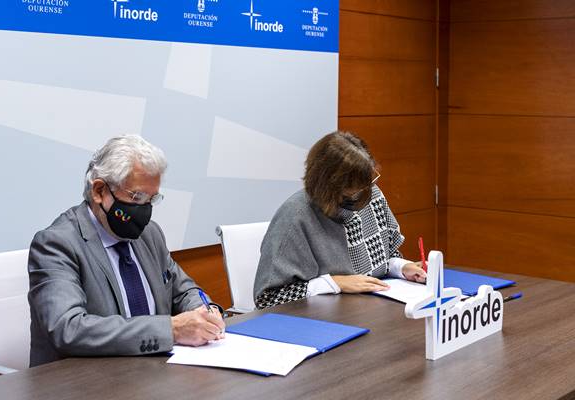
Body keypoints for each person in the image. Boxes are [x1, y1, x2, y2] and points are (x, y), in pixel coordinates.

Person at [28, 135, 225, 367]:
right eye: (137, 197)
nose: (145, 211)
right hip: (86, 381)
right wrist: (170, 330)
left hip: (153, 372)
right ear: (100, 191)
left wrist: (204, 311)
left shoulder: (149, 234)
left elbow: (182, 291)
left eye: (152, 199)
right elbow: (68, 329)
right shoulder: (56, 244)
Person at [254, 131, 427, 309]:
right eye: (353, 186)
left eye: (366, 180)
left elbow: (383, 260)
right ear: (329, 184)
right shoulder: (295, 217)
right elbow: (267, 299)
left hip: (370, 308)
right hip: (320, 319)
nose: (363, 191)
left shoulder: (371, 194)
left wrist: (401, 267)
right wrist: (334, 283)